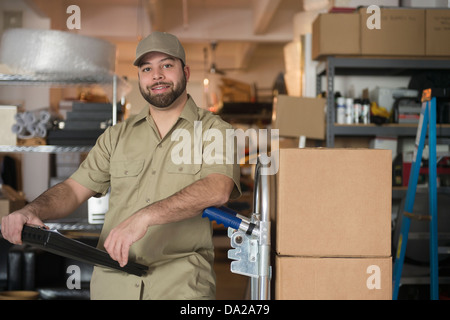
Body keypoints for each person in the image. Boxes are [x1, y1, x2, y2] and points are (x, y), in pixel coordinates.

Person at [1, 31, 241, 300]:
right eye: (147, 68)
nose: (157, 75)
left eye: (167, 65)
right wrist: (31, 210)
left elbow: (217, 188)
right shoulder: (116, 136)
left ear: (185, 71)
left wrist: (145, 216)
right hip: (113, 286)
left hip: (179, 286)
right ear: (139, 76)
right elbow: (73, 190)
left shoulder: (215, 131)